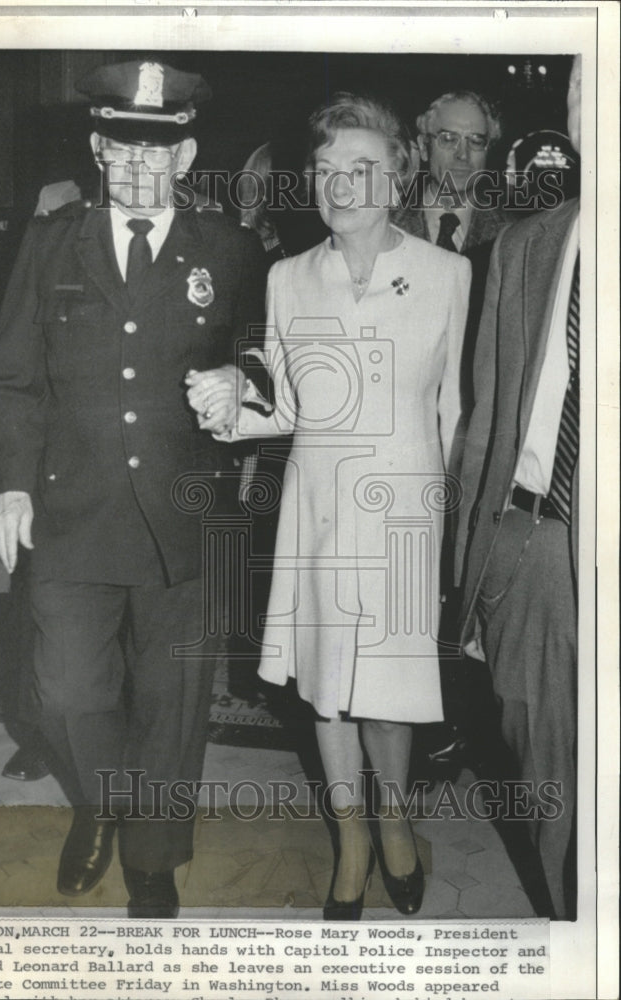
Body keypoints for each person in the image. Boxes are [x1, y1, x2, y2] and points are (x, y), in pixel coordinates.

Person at [0, 58, 266, 918]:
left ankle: (150, 853)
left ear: (185, 157)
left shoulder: (230, 248)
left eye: (159, 152)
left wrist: (241, 380)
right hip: (70, 506)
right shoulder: (51, 241)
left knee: (172, 699)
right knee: (64, 689)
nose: (139, 171)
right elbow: (9, 377)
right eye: (121, 150)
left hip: (184, 511)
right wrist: (9, 486)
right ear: (98, 147)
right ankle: (105, 799)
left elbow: (267, 353)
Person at [187, 93, 471, 919]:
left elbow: (455, 414)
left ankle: (395, 820)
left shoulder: (448, 275)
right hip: (315, 514)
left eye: (361, 169)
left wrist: (446, 535)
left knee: (390, 698)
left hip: (404, 515)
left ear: (398, 174)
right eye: (326, 171)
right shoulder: (287, 278)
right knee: (327, 694)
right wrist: (227, 402)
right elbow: (285, 409)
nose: (341, 186)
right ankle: (350, 840)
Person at [455, 55, 582, 920]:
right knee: (548, 769)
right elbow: (488, 419)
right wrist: (477, 568)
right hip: (536, 542)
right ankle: (579, 932)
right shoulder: (526, 246)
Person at [392, 91, 510, 782]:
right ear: (422, 141)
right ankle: (417, 724)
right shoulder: (385, 224)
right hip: (402, 441)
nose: (461, 156)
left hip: (479, 441)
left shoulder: (518, 233)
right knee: (409, 581)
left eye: (476, 143)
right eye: (447, 140)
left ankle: (463, 720)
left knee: (465, 584)